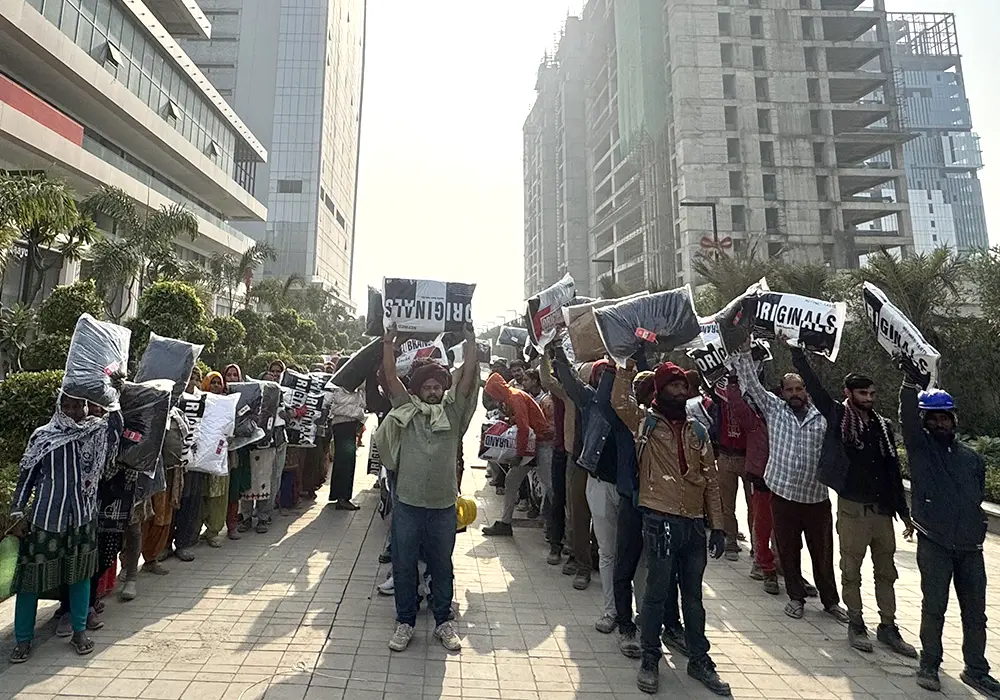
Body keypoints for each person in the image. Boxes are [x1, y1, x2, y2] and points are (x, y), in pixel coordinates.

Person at [611, 362, 729, 696]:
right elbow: (618, 401)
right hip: (659, 520)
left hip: (693, 525)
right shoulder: (644, 423)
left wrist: (718, 526)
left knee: (694, 597)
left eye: (682, 386)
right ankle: (650, 658)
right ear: (660, 390)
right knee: (656, 593)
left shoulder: (698, 431)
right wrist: (623, 366)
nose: (680, 392)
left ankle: (699, 659)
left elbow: (711, 481)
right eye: (673, 386)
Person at [792, 350, 916, 656]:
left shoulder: (882, 426)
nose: (869, 398)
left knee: (886, 572)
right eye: (863, 393)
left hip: (882, 512)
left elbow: (892, 470)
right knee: (851, 571)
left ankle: (888, 626)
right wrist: (798, 355)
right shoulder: (839, 417)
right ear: (849, 393)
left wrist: (904, 512)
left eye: (872, 393)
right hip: (852, 510)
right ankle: (857, 624)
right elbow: (816, 388)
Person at [375, 324, 479, 653]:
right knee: (404, 564)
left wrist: (471, 342)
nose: (433, 391)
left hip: (443, 506)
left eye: (437, 386)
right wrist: (389, 344)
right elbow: (391, 378)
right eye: (427, 387)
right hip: (408, 504)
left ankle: (443, 622)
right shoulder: (406, 409)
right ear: (418, 390)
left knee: (442, 565)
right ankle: (405, 622)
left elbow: (467, 379)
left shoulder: (454, 412)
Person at [898, 367, 1000, 698]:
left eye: (945, 418)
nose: (940, 423)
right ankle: (929, 664)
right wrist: (908, 383)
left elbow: (976, 496)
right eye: (933, 419)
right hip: (935, 542)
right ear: (925, 421)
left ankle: (976, 670)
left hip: (971, 548)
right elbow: (907, 419)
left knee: (976, 614)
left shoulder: (972, 458)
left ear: (953, 419)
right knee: (934, 607)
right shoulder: (920, 450)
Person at [733, 351, 849, 624]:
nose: (795, 394)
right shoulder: (774, 409)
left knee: (822, 552)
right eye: (789, 390)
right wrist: (744, 352)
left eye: (799, 389)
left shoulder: (824, 415)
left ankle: (831, 601)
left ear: (806, 390)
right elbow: (751, 384)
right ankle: (795, 598)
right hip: (783, 495)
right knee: (787, 549)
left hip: (816, 497)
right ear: (782, 392)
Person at [9, 393, 119, 662]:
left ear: (86, 406)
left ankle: (79, 632)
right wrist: (17, 512)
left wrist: (114, 401)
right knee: (30, 581)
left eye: (78, 405)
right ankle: (23, 640)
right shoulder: (43, 436)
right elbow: (26, 476)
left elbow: (112, 456)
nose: (72, 411)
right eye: (66, 406)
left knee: (80, 577)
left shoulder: (95, 434)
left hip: (82, 518)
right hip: (45, 519)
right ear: (58, 407)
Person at [548, 351, 635, 634]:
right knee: (607, 551)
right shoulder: (591, 401)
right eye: (603, 375)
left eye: (611, 374)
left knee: (633, 555)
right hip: (597, 482)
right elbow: (568, 380)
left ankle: (638, 616)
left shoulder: (634, 407)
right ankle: (611, 610)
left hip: (629, 490)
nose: (607, 379)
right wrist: (557, 351)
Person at [611, 365, 686, 660]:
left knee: (666, 571)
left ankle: (669, 625)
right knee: (625, 565)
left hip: (664, 508)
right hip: (633, 502)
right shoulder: (634, 420)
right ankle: (625, 625)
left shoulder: (679, 424)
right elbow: (615, 400)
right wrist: (623, 362)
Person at [721, 376, 778, 595]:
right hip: (726, 455)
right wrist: (731, 376)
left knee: (756, 511)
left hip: (750, 460)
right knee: (727, 504)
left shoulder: (761, 418)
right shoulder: (721, 400)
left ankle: (761, 553)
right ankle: (731, 539)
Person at [481, 371, 555, 538]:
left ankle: (559, 527)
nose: (493, 398)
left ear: (496, 390)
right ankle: (506, 523)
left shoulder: (515, 397)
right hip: (532, 444)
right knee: (512, 481)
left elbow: (523, 428)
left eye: (492, 393)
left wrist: (519, 455)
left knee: (549, 486)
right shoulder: (510, 397)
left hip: (540, 444)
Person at [540, 354, 593, 587]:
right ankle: (572, 555)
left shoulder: (606, 400)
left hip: (600, 464)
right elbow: (548, 380)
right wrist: (544, 352)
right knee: (572, 510)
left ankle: (593, 558)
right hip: (571, 455)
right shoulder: (569, 394)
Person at [141, 407, 187, 570]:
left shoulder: (177, 415)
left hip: (170, 473)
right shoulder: (147, 412)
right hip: (148, 474)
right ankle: (128, 564)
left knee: (163, 518)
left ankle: (152, 558)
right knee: (143, 518)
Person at [172, 368, 205, 562]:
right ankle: (164, 546)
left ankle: (183, 543)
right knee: (173, 504)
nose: (192, 382)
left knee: (190, 502)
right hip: (174, 464)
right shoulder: (174, 399)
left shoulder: (205, 401)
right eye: (188, 377)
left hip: (195, 463)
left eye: (196, 378)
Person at [201, 371, 231, 547]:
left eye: (219, 383)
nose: (216, 386)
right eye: (212, 383)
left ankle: (213, 531)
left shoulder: (227, 403)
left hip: (220, 456)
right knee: (202, 496)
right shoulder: (198, 402)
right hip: (200, 458)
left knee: (218, 495)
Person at [327, 371, 366, 511]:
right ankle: (343, 498)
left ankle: (338, 494)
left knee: (342, 461)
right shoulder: (345, 388)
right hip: (345, 423)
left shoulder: (345, 387)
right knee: (346, 461)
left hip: (345, 424)